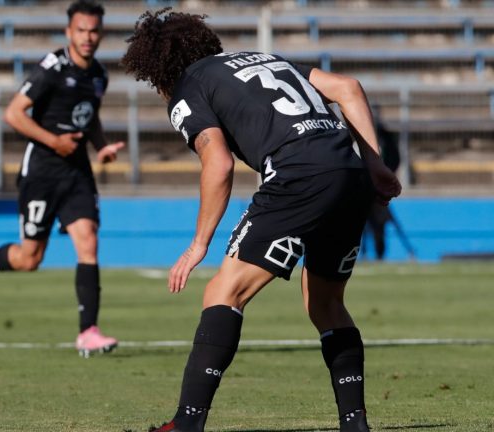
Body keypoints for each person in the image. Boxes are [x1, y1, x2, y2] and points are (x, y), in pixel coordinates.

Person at [122, 9, 401, 432]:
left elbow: (217, 164)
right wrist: (376, 165)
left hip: (298, 175)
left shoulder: (188, 87)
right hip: (349, 173)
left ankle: (186, 423)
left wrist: (199, 244)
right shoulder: (264, 58)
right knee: (325, 304)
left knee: (223, 292)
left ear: (158, 69)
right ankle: (354, 424)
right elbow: (348, 88)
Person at [0, 0, 124, 358]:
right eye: (81, 30)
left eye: (94, 30)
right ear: (69, 32)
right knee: (30, 258)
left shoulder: (99, 75)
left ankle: (88, 331)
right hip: (42, 172)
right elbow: (14, 114)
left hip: (77, 171)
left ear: (101, 33)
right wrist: (54, 141)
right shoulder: (52, 67)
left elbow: (89, 117)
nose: (88, 37)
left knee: (88, 240)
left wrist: (100, 148)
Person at [362, 106, 401, 260]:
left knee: (379, 225)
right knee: (358, 224)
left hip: (377, 188)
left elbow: (394, 157)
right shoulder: (353, 133)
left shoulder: (385, 136)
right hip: (361, 187)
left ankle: (379, 255)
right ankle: (361, 254)